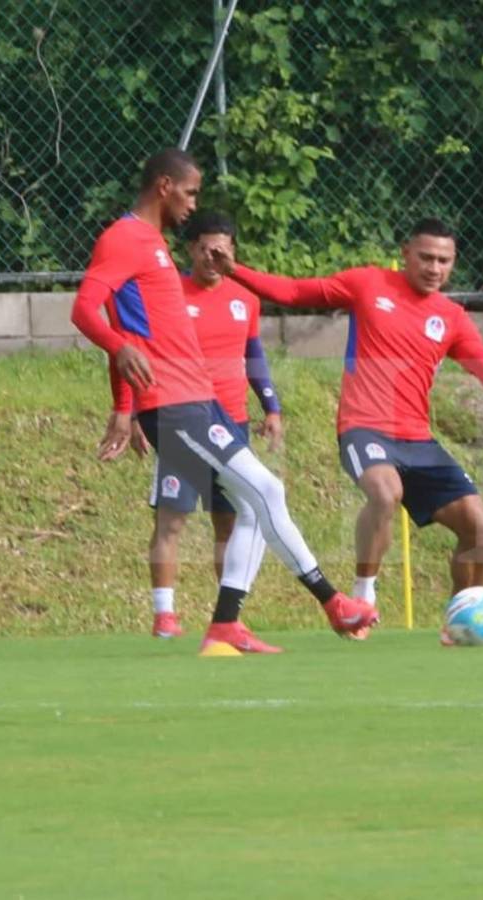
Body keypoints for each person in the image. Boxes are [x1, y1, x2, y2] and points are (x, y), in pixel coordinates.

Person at [71, 148, 378, 653]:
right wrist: (120, 358)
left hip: (198, 399)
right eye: (190, 192)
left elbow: (131, 324)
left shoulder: (152, 244)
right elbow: (85, 309)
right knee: (264, 491)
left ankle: (228, 622)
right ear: (165, 186)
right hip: (172, 401)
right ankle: (329, 601)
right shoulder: (124, 238)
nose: (194, 204)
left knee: (256, 503)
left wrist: (121, 398)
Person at [211, 218, 483, 641]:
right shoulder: (367, 284)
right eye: (426, 257)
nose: (434, 268)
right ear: (406, 254)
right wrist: (234, 269)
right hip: (364, 429)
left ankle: (460, 623)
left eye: (444, 260)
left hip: (418, 439)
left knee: (481, 530)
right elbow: (294, 292)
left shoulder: (451, 317)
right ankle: (363, 595)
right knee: (386, 493)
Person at [100, 210, 284, 640]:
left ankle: (227, 616)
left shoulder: (246, 298)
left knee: (230, 521)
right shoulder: (168, 294)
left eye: (221, 249)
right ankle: (165, 614)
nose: (211, 256)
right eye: (203, 248)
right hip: (181, 418)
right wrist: (137, 411)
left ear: (233, 252)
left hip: (232, 423)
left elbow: (253, 355)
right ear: (190, 250)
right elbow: (133, 348)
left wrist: (271, 407)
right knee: (172, 519)